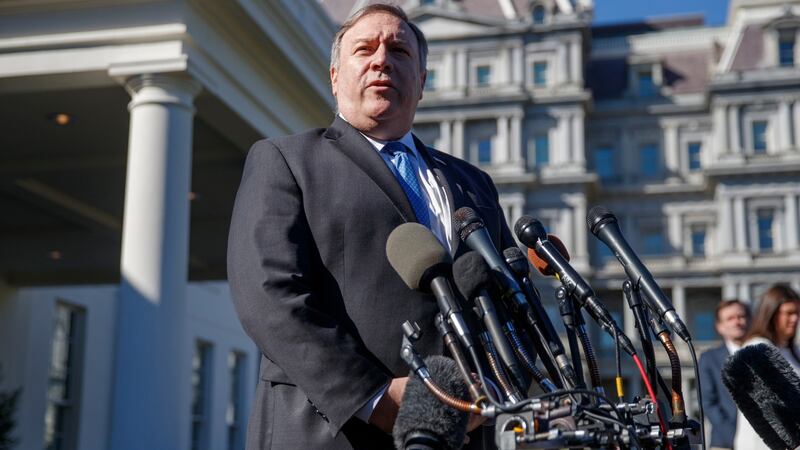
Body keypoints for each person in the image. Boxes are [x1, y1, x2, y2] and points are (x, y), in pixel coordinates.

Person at [227, 4, 515, 449]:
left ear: (421, 80)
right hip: (333, 431)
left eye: (399, 50)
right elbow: (269, 296)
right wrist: (374, 397)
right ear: (335, 77)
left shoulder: (475, 185)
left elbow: (510, 303)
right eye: (365, 49)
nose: (382, 60)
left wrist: (496, 388)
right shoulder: (285, 161)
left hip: (464, 433)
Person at [733, 285, 800, 450]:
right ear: (771, 313)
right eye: (789, 313)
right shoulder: (756, 347)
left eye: (797, 313)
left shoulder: (794, 351)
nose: (795, 319)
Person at [698, 299, 749, 450]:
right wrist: (737, 438)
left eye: (741, 316)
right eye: (730, 318)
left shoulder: (763, 353)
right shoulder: (709, 358)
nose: (737, 322)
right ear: (719, 327)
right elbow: (708, 403)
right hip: (726, 443)